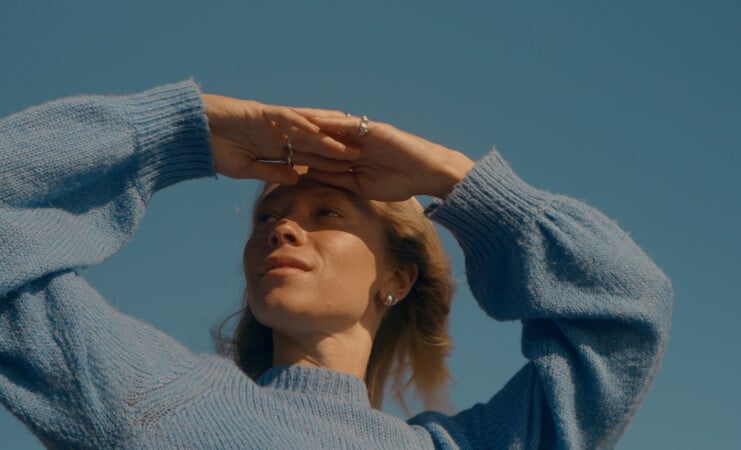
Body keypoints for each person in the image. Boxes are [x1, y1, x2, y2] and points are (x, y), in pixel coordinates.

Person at [0, 80, 673, 449]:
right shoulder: (155, 398)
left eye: (326, 214)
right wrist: (187, 130)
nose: (282, 228)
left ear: (396, 278)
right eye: (268, 217)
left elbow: (628, 315)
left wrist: (460, 183)